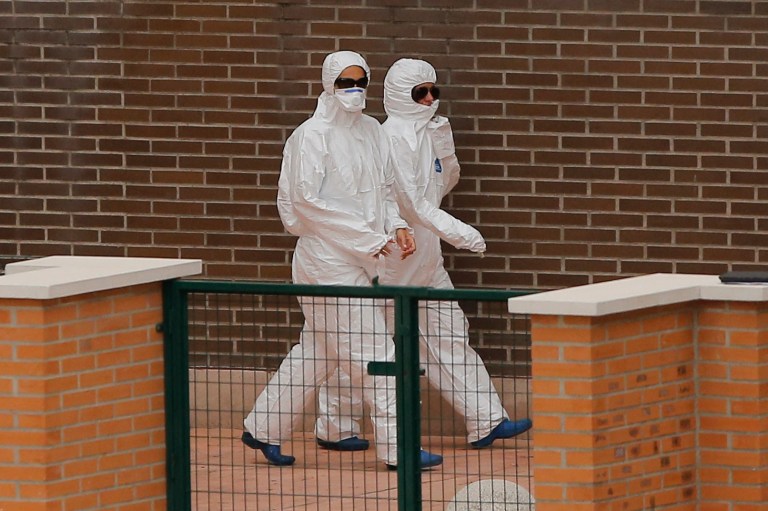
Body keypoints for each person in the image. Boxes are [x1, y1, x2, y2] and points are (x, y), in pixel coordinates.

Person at [314, 58, 532, 452]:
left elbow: (444, 183)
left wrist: (443, 140)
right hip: (394, 258)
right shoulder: (391, 138)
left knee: (449, 335)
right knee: (362, 347)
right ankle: (335, 423)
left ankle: (485, 418)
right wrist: (461, 233)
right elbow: (412, 205)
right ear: (402, 95)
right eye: (421, 93)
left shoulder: (424, 132)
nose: (430, 99)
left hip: (427, 258)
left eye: (434, 91)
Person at [242, 51, 443, 470]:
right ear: (328, 85)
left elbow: (384, 190)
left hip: (363, 255)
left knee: (318, 351)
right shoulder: (310, 137)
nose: (353, 91)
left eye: (360, 82)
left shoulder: (371, 131)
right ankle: (399, 449)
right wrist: (369, 237)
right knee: (377, 355)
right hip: (326, 260)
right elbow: (306, 204)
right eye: (344, 83)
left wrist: (395, 225)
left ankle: (263, 426)